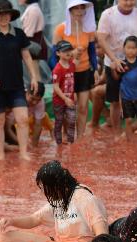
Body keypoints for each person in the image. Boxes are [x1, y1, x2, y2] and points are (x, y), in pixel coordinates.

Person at [0, 160, 109, 242]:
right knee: (8, 237)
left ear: (56, 185)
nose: (43, 192)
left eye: (44, 188)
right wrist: (11, 221)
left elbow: (102, 232)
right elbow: (34, 219)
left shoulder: (84, 198)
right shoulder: (61, 196)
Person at [0, 0, 40, 161]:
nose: (3, 16)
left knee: (22, 119)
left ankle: (23, 152)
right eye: (0, 14)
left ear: (11, 15)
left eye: (6, 13)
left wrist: (34, 76)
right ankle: (0, 154)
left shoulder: (19, 34)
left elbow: (27, 56)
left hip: (16, 84)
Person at [97, 0, 137, 132]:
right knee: (115, 101)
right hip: (113, 63)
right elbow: (101, 39)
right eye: (125, 0)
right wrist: (114, 59)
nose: (128, 3)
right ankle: (117, 133)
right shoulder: (108, 14)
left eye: (132, 0)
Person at [53, 0, 96, 139]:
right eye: (75, 8)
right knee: (68, 105)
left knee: (83, 106)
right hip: (67, 73)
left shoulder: (88, 29)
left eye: (81, 8)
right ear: (69, 10)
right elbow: (53, 56)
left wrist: (95, 68)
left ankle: (81, 136)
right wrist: (71, 56)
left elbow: (92, 51)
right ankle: (67, 134)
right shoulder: (60, 29)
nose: (78, 11)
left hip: (84, 71)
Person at [52, 40, 77, 145]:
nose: (68, 53)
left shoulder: (72, 65)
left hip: (70, 99)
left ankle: (71, 141)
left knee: (71, 120)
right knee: (59, 121)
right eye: (65, 51)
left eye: (69, 50)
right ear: (58, 53)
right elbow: (55, 87)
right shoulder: (57, 69)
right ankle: (59, 143)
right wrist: (65, 98)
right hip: (59, 101)